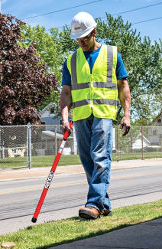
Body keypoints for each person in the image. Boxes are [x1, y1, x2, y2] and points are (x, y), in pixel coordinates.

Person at [60, 11, 131, 219]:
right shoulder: (71, 61)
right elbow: (66, 92)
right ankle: (104, 203)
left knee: (101, 157)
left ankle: (93, 204)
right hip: (81, 115)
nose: (80, 42)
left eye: (84, 38)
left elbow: (123, 86)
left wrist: (126, 115)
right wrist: (64, 117)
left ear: (94, 33)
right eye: (77, 39)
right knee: (87, 160)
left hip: (104, 113)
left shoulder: (112, 54)